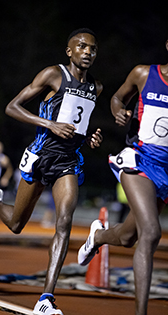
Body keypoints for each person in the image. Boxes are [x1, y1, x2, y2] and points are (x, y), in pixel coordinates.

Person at [0, 28, 103, 315]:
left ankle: (45, 299)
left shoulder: (95, 88)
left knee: (64, 220)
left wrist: (88, 138)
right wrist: (50, 125)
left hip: (68, 161)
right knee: (16, 224)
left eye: (93, 49)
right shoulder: (52, 75)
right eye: (82, 46)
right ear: (69, 51)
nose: (88, 52)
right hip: (40, 157)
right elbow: (12, 107)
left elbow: (78, 125)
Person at [78, 38, 168, 315]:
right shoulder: (144, 73)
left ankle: (98, 237)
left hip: (166, 172)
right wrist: (120, 112)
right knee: (151, 233)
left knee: (129, 237)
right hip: (140, 161)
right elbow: (118, 98)